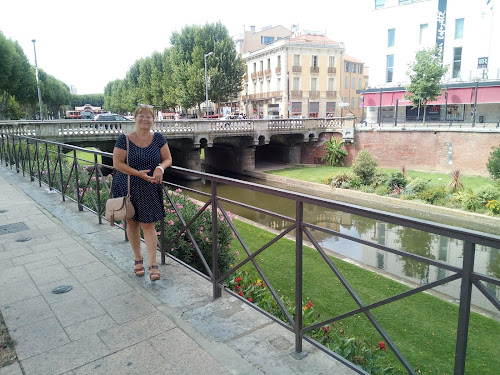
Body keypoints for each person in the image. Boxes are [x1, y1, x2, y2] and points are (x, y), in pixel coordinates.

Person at [112, 104, 172, 281]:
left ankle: (153, 263)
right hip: (128, 185)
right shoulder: (125, 139)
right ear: (135, 118)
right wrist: (138, 173)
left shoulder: (158, 138)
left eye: (149, 116)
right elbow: (117, 163)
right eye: (141, 116)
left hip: (149, 187)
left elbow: (168, 158)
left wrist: (161, 167)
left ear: (153, 120)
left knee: (148, 225)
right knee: (131, 223)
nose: (145, 119)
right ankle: (138, 259)